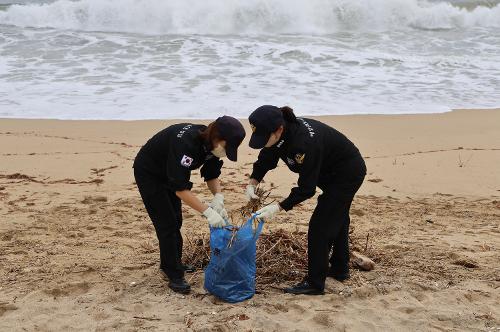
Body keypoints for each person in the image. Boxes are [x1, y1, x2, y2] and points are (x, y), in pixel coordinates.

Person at [246, 105, 366, 295]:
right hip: (326, 171)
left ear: (279, 130)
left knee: (320, 226)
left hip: (346, 173)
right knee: (337, 216)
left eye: (264, 138)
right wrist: (252, 183)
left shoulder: (303, 144)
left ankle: (315, 283)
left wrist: (278, 207)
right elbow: (267, 158)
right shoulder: (279, 135)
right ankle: (340, 269)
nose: (262, 142)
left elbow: (306, 189)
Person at [133, 116, 245, 294]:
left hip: (171, 172)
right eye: (226, 147)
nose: (226, 152)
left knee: (176, 219)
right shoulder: (187, 145)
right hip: (150, 172)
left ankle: (173, 262)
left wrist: (218, 197)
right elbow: (180, 188)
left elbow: (211, 174)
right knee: (167, 224)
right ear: (217, 138)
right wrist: (208, 212)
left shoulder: (210, 145)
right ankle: (172, 273)